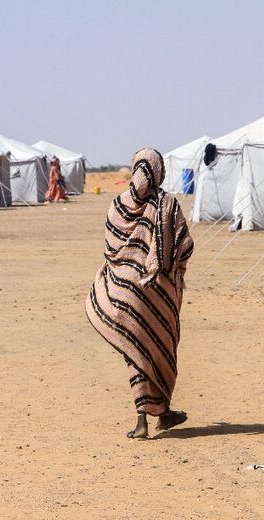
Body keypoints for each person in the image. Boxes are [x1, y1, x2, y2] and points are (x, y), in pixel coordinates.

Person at [85, 148, 194, 439]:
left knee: (136, 353)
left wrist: (125, 272)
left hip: (124, 295)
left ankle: (143, 419)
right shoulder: (168, 204)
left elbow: (110, 250)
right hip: (159, 292)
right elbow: (185, 246)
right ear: (159, 173)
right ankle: (164, 411)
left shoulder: (118, 205)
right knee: (159, 348)